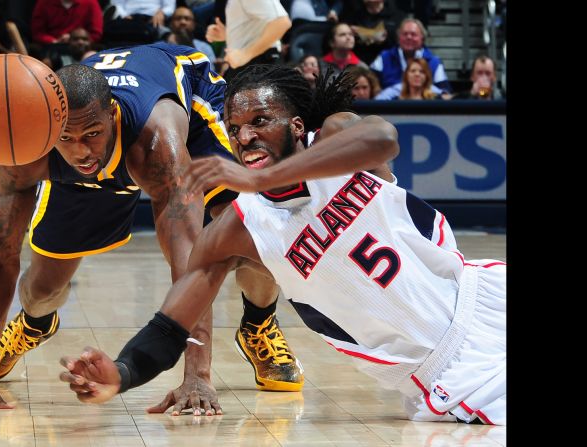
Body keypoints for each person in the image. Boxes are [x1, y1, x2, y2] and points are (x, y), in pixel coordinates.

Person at [59, 65, 506, 426]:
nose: (245, 137)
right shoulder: (239, 227)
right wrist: (120, 373)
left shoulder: (337, 135)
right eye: (235, 128)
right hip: (444, 369)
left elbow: (384, 137)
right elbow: (169, 326)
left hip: (484, 295)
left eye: (260, 121)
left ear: (295, 125)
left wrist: (260, 179)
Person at [0, 43, 304, 416]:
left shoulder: (156, 144)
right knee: (42, 289)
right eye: (66, 139)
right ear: (49, 127)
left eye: (91, 133)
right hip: (101, 137)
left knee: (254, 225)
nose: (80, 152)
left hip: (191, 116)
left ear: (112, 115)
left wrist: (197, 376)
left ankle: (258, 323)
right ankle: (35, 324)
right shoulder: (27, 149)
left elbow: (190, 260)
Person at [205, 0, 291, 80]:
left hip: (259, 62)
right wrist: (228, 35)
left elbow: (282, 22)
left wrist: (246, 54)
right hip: (249, 63)